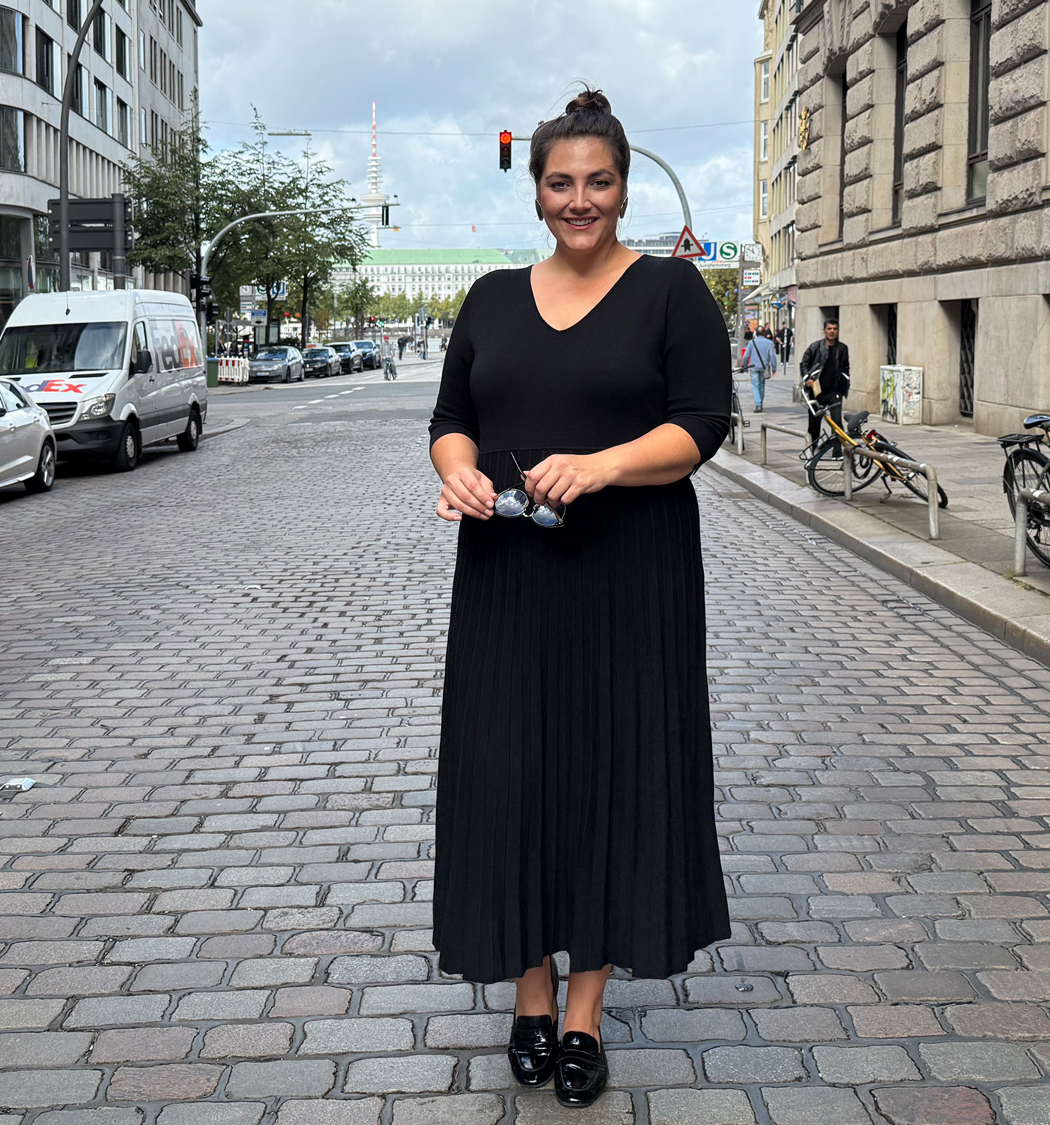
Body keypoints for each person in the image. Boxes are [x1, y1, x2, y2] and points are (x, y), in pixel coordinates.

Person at [428, 87, 732, 1111]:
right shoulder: (488, 298)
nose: (579, 200)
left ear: (623, 186)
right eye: (560, 183)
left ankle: (584, 1011)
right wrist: (458, 471)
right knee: (506, 777)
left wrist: (599, 467)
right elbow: (451, 417)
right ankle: (526, 990)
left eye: (597, 182)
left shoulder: (670, 294)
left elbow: (700, 425)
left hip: (627, 578)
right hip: (506, 580)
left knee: (610, 776)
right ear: (536, 192)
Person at [799, 317, 850, 448]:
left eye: (834, 329)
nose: (832, 331)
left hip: (835, 391)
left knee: (837, 422)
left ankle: (838, 451)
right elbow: (804, 364)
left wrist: (845, 383)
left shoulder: (843, 348)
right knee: (814, 423)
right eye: (829, 329)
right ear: (824, 331)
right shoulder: (815, 347)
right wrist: (807, 379)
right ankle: (813, 448)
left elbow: (845, 367)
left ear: (838, 331)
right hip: (817, 391)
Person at [740, 326, 778, 412]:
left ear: (756, 333)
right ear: (765, 333)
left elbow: (746, 356)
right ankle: (760, 402)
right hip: (764, 367)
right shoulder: (769, 343)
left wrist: (744, 366)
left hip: (753, 367)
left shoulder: (752, 342)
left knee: (755, 385)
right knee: (762, 384)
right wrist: (774, 368)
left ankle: (758, 404)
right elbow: (772, 356)